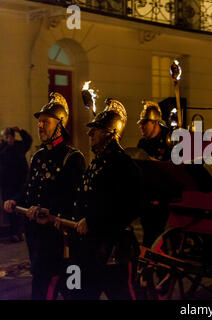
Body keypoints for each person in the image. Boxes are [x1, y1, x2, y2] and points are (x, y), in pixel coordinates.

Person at [3, 92, 86, 300]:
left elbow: (73, 198)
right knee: (43, 281)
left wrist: (47, 210)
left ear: (60, 124)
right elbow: (30, 189)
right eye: (39, 122)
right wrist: (16, 200)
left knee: (54, 286)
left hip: (59, 237)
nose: (40, 126)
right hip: (36, 234)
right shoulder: (39, 156)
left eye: (45, 122)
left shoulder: (72, 158)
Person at [72, 98, 142, 300]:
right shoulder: (96, 163)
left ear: (110, 134)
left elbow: (129, 206)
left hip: (115, 250)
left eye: (96, 129)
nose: (89, 133)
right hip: (91, 247)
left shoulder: (123, 165)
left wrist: (93, 221)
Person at [136, 100, 173, 247]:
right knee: (148, 235)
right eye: (141, 123)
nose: (141, 127)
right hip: (147, 197)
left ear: (156, 123)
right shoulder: (143, 144)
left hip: (164, 197)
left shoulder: (170, 141)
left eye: (145, 123)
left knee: (159, 235)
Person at [0, 127, 32, 242]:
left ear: (13, 136)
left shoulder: (19, 146)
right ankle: (14, 232)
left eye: (9, 136)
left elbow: (29, 140)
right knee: (9, 208)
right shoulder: (3, 147)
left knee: (20, 207)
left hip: (20, 182)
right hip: (7, 183)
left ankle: (20, 231)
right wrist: (7, 144)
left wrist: (21, 131)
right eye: (5, 136)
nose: (8, 138)